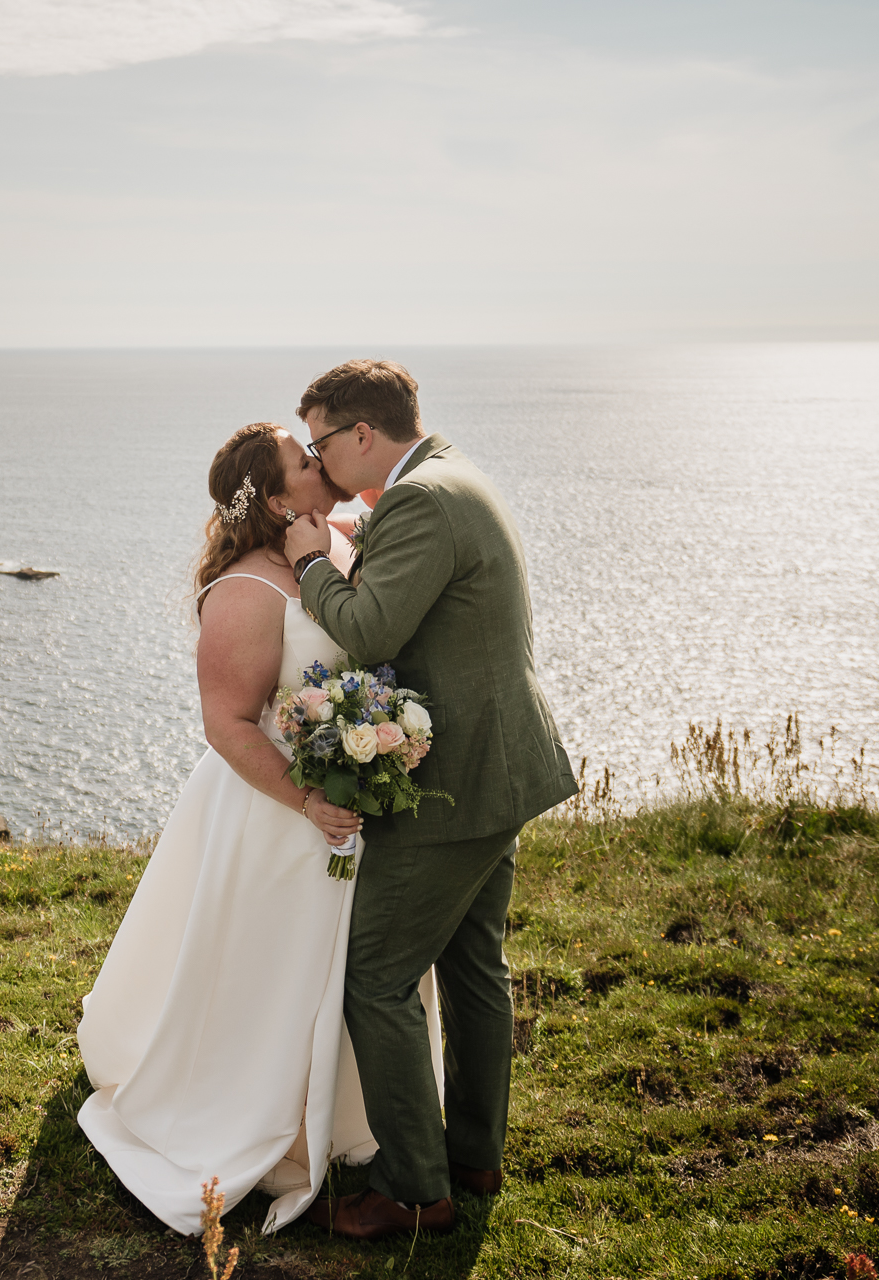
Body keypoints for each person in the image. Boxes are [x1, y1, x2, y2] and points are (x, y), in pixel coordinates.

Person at [76, 422, 444, 1236]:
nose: (322, 464)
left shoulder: (334, 545)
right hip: (277, 813)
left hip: (350, 803)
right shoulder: (248, 589)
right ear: (278, 499)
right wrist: (310, 801)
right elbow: (229, 722)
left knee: (361, 967)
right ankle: (250, 1106)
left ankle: (368, 1119)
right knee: (268, 973)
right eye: (305, 461)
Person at [282, 359, 578, 1240]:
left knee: (374, 977)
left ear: (362, 435)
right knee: (474, 966)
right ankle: (475, 1156)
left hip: (457, 786)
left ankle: (417, 1193)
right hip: (505, 768)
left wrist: (306, 562)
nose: (315, 457)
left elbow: (370, 627)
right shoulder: (453, 475)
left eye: (320, 441)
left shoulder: (421, 501)